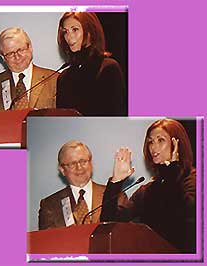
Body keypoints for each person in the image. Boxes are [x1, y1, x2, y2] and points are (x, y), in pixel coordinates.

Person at [100, 119, 196, 253]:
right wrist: (116, 182)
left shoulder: (195, 181)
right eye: (151, 141)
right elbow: (110, 222)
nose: (153, 147)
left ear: (177, 144)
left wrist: (172, 170)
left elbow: (180, 220)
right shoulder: (148, 189)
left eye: (160, 140)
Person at [56, 12, 127, 116]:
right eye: (65, 32)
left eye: (75, 29)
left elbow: (117, 113)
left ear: (90, 31)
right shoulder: (63, 77)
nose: (69, 37)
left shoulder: (108, 68)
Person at [0, 27, 58, 114]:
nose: (17, 57)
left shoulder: (55, 79)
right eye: (10, 54)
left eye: (20, 50)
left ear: (30, 47)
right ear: (2, 57)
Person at [39, 140, 105, 230]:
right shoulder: (50, 205)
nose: (79, 167)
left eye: (83, 161)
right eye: (72, 164)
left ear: (91, 163)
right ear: (62, 170)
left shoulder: (113, 195)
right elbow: (48, 241)